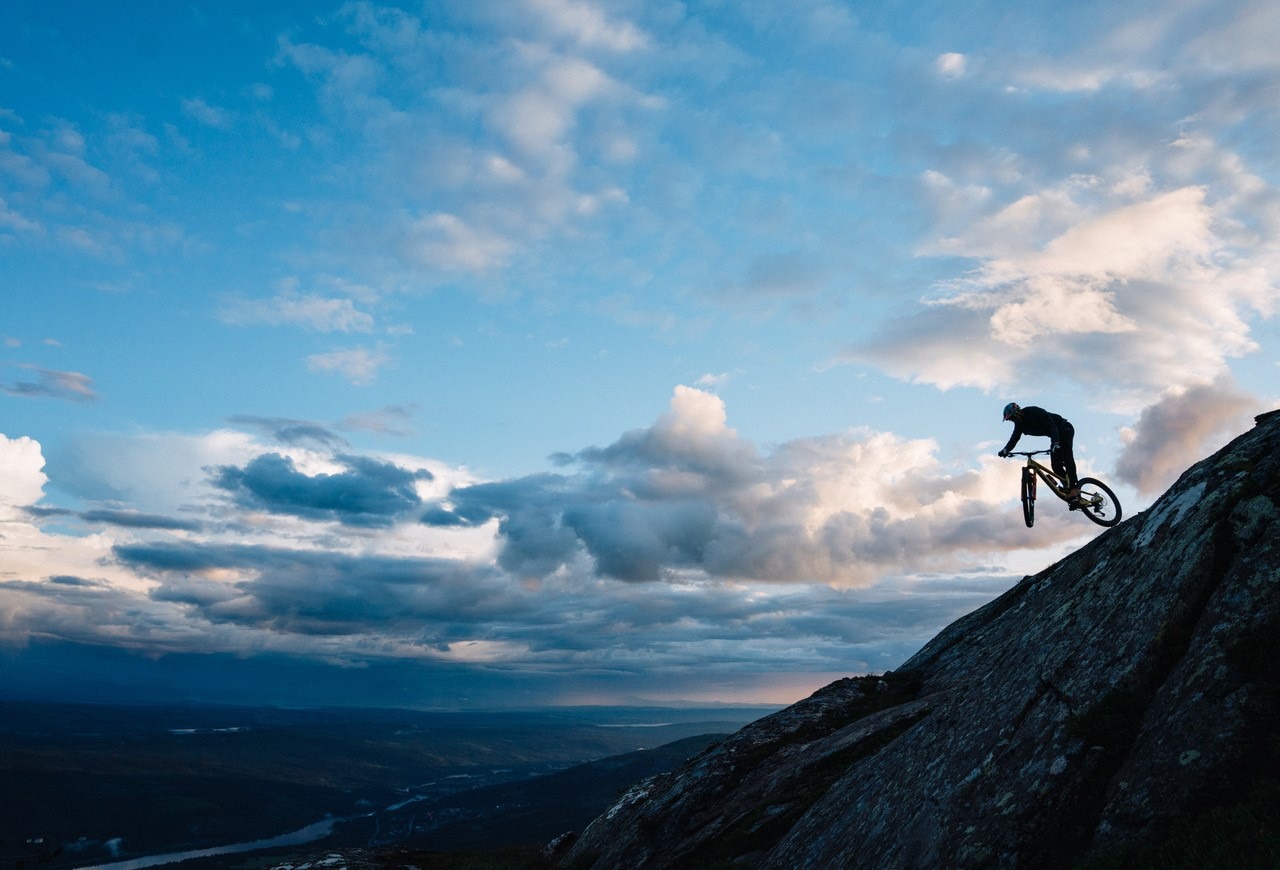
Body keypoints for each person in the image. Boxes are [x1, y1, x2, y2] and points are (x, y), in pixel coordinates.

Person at [998, 402, 1079, 498]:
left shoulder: (1034, 411)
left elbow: (1052, 427)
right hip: (1055, 437)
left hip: (1064, 429)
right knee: (1056, 466)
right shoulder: (1019, 424)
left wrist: (1055, 443)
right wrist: (1005, 450)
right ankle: (1067, 487)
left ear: (1018, 412)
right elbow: (1014, 438)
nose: (1013, 421)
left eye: (1013, 418)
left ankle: (1075, 488)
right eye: (1011, 420)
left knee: (1067, 456)